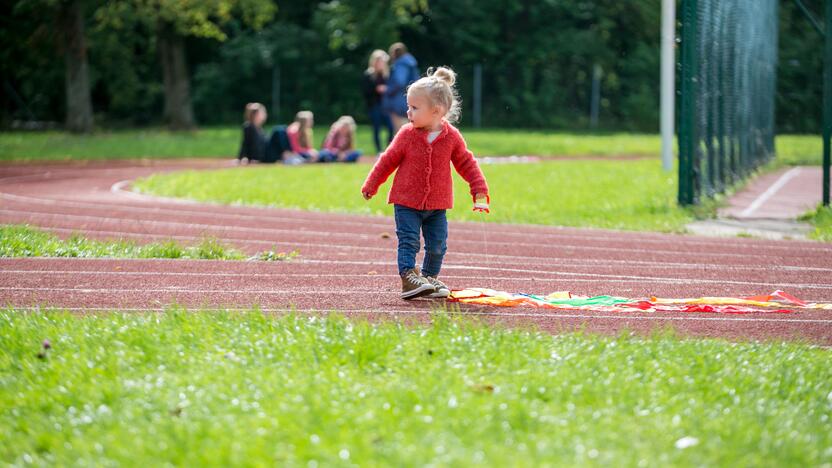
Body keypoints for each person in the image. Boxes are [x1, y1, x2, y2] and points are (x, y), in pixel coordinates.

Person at [361, 67, 490, 300]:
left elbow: (467, 163)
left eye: (414, 107)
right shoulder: (406, 134)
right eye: (408, 106)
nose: (408, 112)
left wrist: (479, 190)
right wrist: (372, 184)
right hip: (406, 202)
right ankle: (409, 278)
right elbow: (387, 160)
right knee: (409, 241)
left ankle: (429, 278)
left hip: (437, 205)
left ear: (436, 111)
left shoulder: (451, 137)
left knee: (438, 245)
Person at [362, 49, 394, 154]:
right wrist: (376, 89)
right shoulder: (368, 75)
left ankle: (389, 149)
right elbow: (365, 92)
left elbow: (394, 88)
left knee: (390, 127)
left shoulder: (389, 74)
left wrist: (386, 89)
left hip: (387, 106)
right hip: (375, 105)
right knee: (376, 128)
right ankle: (378, 150)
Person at [383, 42, 419, 133]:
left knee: (400, 131)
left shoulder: (401, 64)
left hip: (399, 101)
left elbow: (400, 82)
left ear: (394, 53)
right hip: (409, 99)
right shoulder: (411, 63)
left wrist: (388, 89)